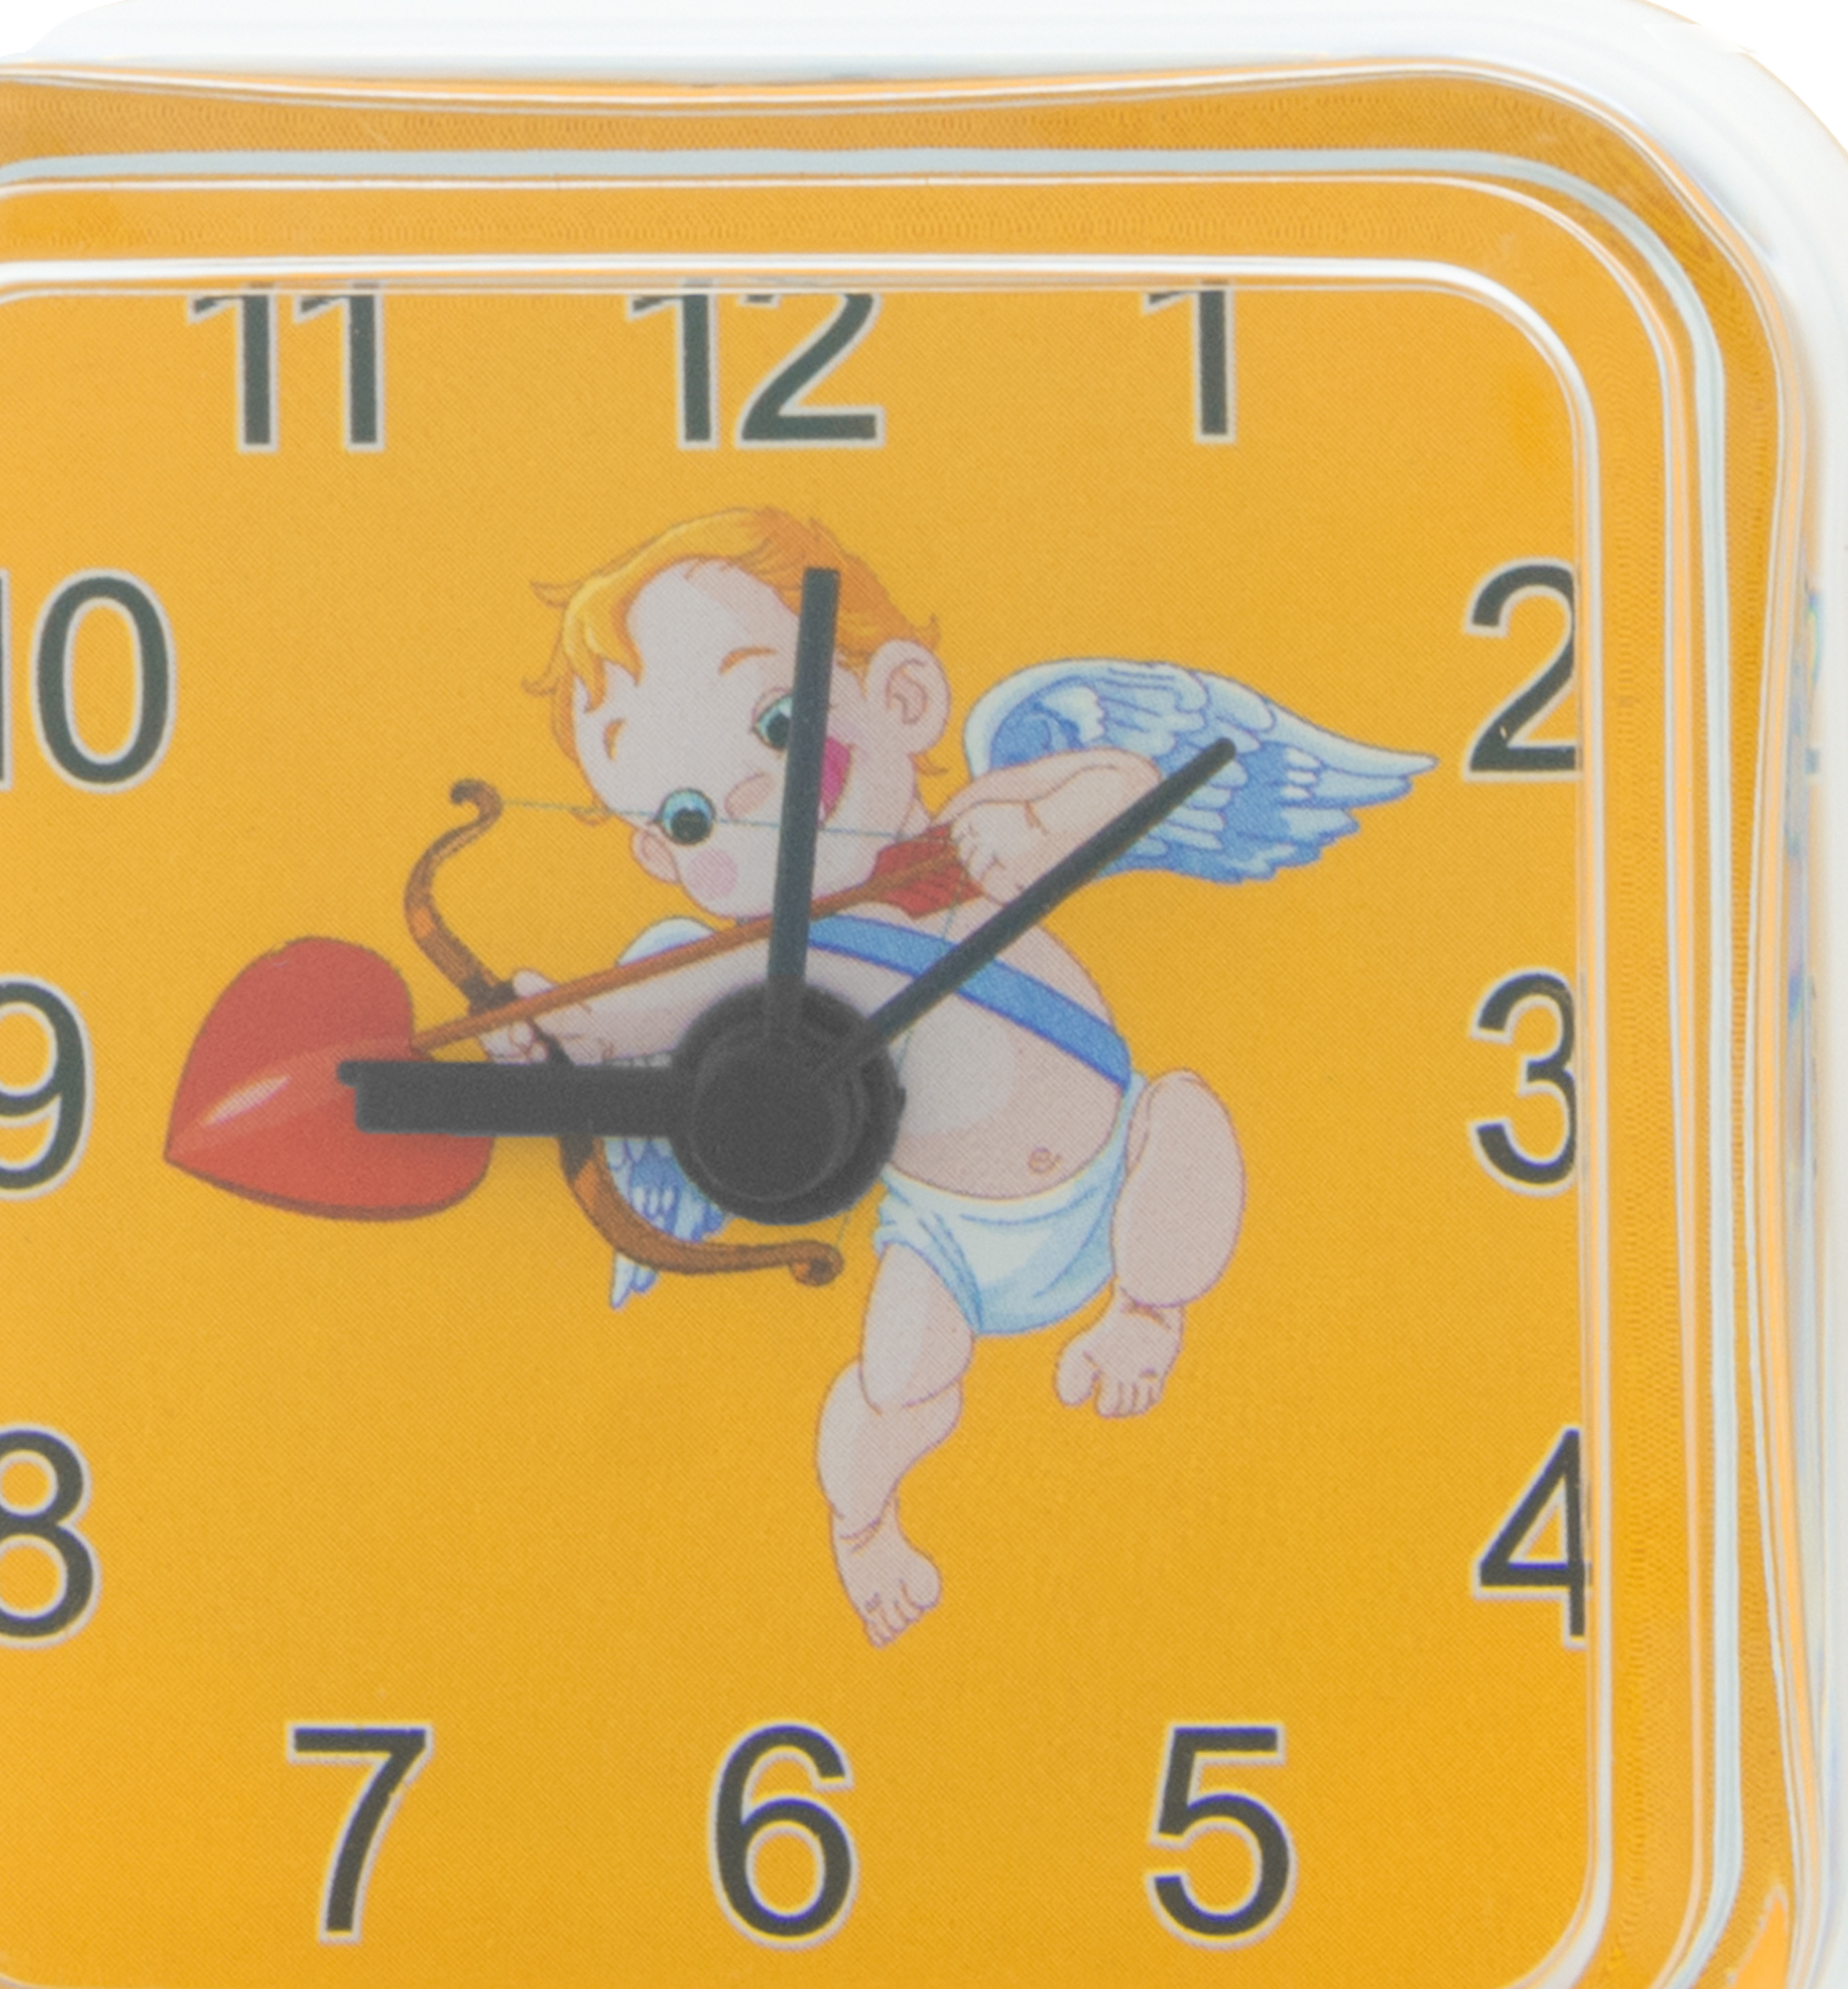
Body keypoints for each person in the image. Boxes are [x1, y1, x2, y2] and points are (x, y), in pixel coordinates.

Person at [503, 508, 1420, 1646]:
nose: (747, 801)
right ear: (660, 857)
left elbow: (1131, 778)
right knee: (896, 1383)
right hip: (946, 1237)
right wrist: (546, 1035)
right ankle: (863, 1523)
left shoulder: (975, 840)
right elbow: (621, 1015)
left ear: (902, 699)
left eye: (782, 724)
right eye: (688, 818)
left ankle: (1146, 1311)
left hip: (1116, 1163)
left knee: (1185, 1123)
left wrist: (1039, 828)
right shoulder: (764, 966)